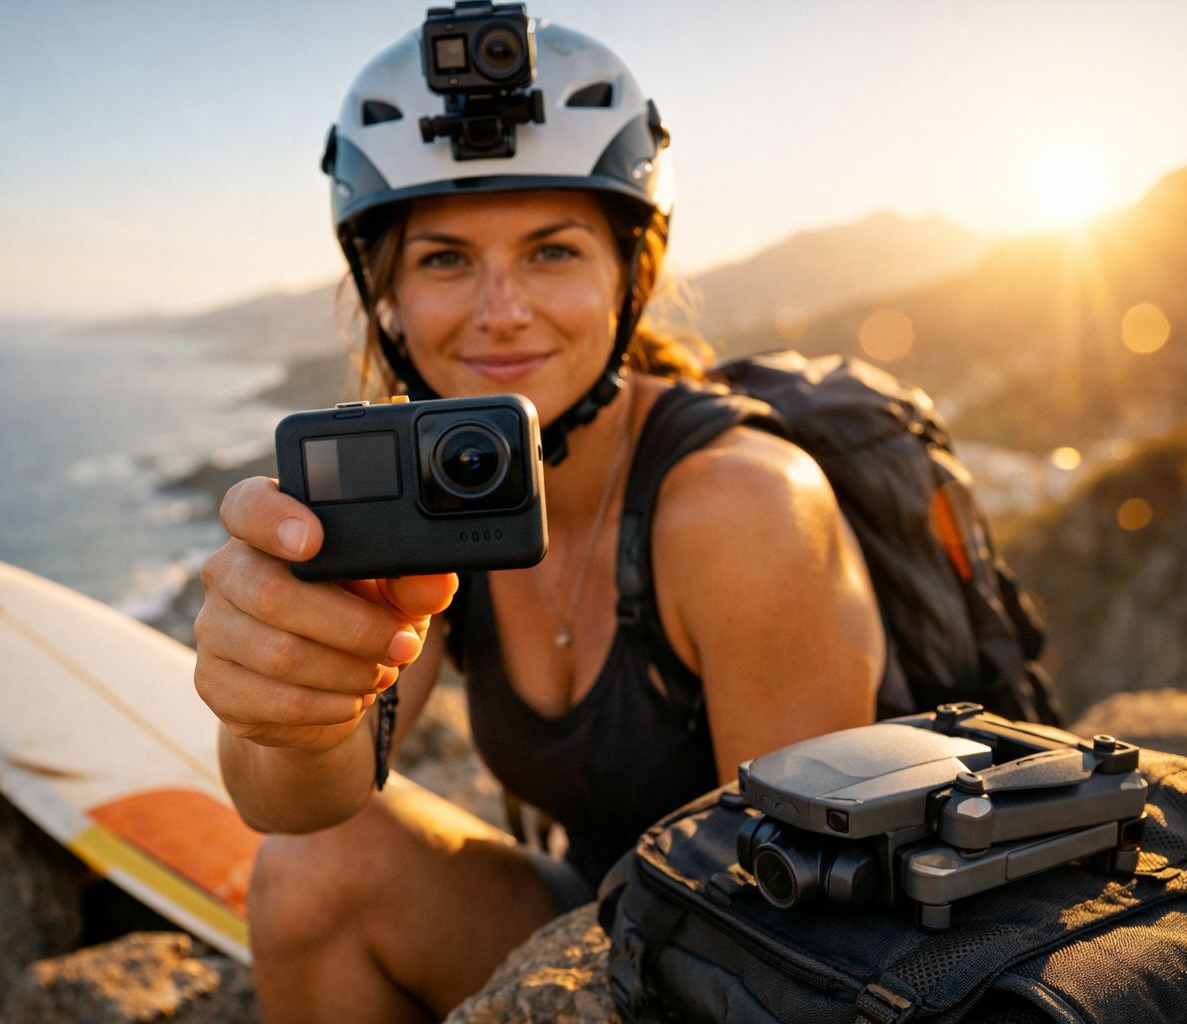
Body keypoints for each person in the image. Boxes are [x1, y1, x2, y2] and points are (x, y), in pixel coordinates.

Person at [193, 11, 885, 1022]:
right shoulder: (433, 491)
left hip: (802, 949)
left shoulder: (739, 506)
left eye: (553, 251)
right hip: (614, 910)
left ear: (628, 278)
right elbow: (296, 810)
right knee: (310, 872)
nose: (502, 310)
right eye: (444, 260)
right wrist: (291, 707)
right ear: (386, 297)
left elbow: (804, 922)